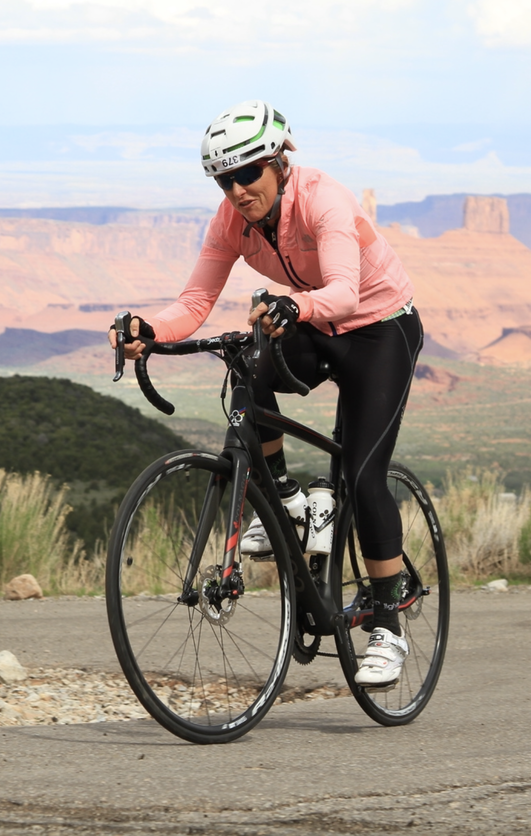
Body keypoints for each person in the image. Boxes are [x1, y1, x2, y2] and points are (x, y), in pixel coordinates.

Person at [109, 99, 423, 688]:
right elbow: (196, 303)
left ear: (280, 161)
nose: (236, 190)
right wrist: (149, 331)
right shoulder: (230, 222)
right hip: (317, 323)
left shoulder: (322, 200)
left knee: (361, 473)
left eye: (247, 173)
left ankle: (387, 623)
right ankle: (288, 498)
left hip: (380, 330)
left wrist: (291, 306)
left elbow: (345, 295)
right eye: (224, 180)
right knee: (247, 360)